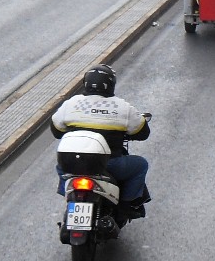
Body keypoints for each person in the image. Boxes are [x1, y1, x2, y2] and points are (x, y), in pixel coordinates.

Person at [51, 64, 151, 213]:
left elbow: (57, 130)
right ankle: (126, 206)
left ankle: (65, 191)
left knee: (60, 166)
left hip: (71, 163)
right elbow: (143, 133)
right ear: (111, 84)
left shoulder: (71, 103)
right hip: (108, 165)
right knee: (141, 165)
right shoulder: (122, 107)